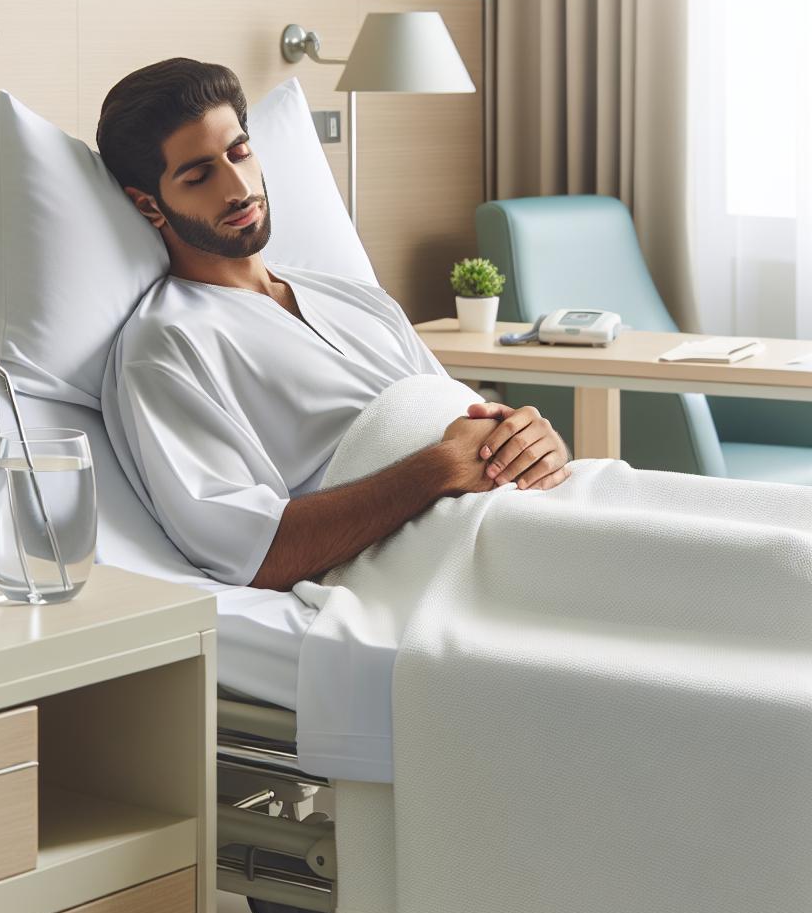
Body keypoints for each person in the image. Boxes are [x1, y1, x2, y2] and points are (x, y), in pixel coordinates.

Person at [97, 58, 571, 591]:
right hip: (453, 551)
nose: (237, 187)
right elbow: (253, 555)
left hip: (544, 500)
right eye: (198, 175)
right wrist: (440, 470)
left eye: (239, 153)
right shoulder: (167, 344)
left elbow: (472, 425)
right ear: (149, 205)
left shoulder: (356, 298)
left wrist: (534, 443)